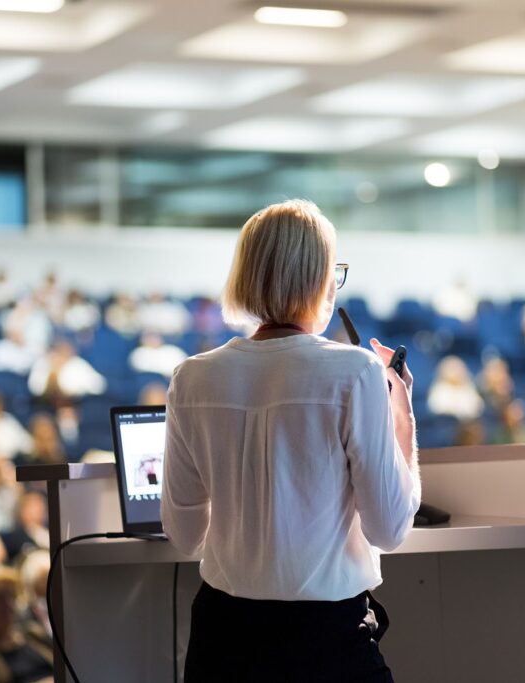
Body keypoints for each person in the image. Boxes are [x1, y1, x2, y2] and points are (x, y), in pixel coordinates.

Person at [161, 200, 419, 681]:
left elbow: (184, 534)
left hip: (222, 639)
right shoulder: (356, 371)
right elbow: (389, 528)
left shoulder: (191, 378)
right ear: (320, 278)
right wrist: (401, 417)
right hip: (325, 640)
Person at [426, 357, 484, 421]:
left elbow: (477, 408)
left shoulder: (468, 388)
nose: (456, 372)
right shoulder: (439, 390)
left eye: (458, 369)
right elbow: (436, 408)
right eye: (452, 369)